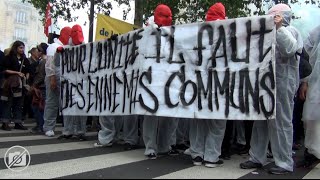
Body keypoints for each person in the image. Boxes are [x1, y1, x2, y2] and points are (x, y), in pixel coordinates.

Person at [239, 4, 303, 175]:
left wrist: (280, 28)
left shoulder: (292, 31)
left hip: (283, 84)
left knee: (281, 122)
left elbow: (290, 49)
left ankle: (284, 161)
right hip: (264, 84)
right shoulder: (266, 33)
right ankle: (256, 157)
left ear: (283, 17)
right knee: (260, 121)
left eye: (275, 16)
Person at [188, 2, 227, 168]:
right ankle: (211, 157)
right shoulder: (229, 31)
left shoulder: (196, 33)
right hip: (219, 85)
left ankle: (197, 154)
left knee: (199, 121)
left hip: (199, 84)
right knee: (217, 122)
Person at [142, 4, 180, 160]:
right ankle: (150, 147)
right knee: (151, 115)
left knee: (170, 114)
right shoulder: (146, 31)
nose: (169, 18)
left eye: (170, 15)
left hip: (169, 80)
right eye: (165, 15)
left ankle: (165, 146)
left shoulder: (174, 33)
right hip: (152, 80)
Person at [57, 24, 88, 141]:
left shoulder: (86, 48)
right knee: (68, 107)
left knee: (81, 107)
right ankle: (68, 131)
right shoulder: (65, 48)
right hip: (68, 83)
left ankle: (81, 131)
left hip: (81, 83)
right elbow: (57, 65)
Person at [298, 25, 320, 167]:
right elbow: (306, 50)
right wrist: (305, 81)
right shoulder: (318, 30)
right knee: (311, 117)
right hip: (316, 80)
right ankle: (312, 151)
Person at [43, 26, 72, 137]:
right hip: (53, 78)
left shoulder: (67, 47)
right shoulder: (53, 47)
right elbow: (50, 65)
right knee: (52, 103)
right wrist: (52, 78)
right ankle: (48, 127)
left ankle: (66, 128)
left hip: (64, 78)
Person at [0, 41, 30, 131]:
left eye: (23, 47)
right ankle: (5, 123)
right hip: (10, 84)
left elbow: (28, 70)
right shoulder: (8, 58)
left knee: (19, 104)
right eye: (20, 47)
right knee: (8, 103)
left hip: (21, 85)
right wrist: (17, 73)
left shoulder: (25, 59)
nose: (22, 49)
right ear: (15, 48)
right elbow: (4, 70)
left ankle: (18, 122)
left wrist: (26, 77)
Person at [30, 43, 48, 133]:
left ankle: (40, 126)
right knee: (40, 107)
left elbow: (40, 76)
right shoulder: (45, 60)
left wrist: (34, 85)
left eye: (38, 50)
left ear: (41, 51)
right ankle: (40, 126)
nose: (37, 52)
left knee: (38, 107)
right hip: (42, 87)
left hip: (41, 87)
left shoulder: (43, 62)